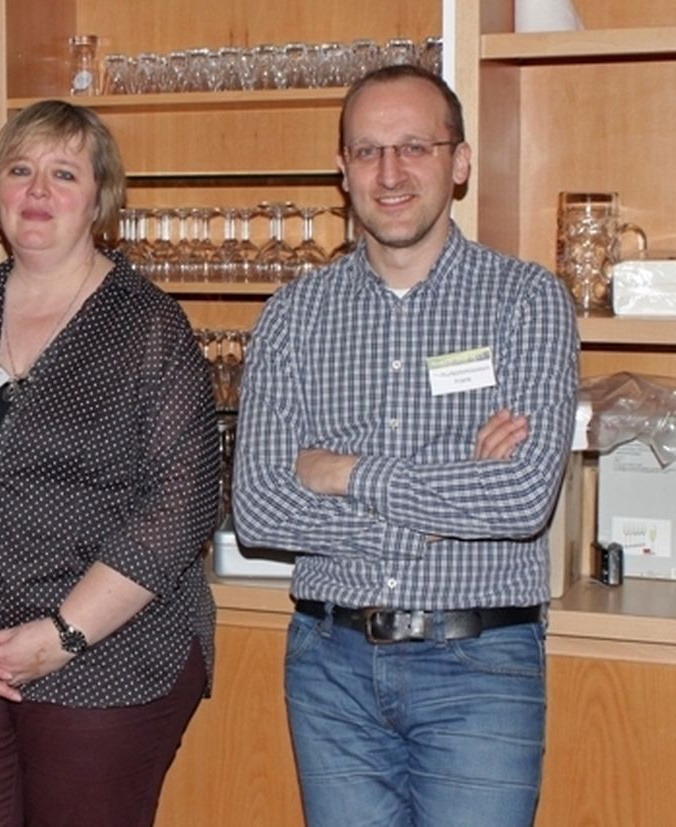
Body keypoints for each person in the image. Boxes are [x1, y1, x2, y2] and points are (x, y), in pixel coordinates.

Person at [232, 65, 579, 827]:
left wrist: (342, 471)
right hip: (331, 661)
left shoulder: (526, 300)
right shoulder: (293, 314)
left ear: (459, 163)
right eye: (368, 151)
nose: (390, 173)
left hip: (480, 663)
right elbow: (258, 508)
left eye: (415, 147)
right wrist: (445, 495)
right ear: (343, 170)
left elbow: (522, 498)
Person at [0, 99, 220, 827]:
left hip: (108, 654)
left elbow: (181, 503)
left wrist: (61, 634)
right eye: (19, 170)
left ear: (100, 198)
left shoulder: (148, 327)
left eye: (64, 174)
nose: (37, 191)